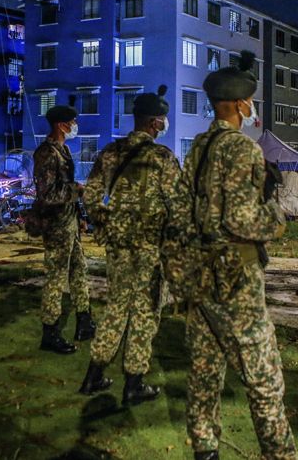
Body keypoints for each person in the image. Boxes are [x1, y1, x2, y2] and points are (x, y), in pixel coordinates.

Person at [166, 51, 297, 460]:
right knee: (264, 377)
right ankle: (280, 454)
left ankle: (205, 448)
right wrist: (276, 214)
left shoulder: (199, 147)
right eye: (250, 101)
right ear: (240, 104)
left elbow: (186, 212)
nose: (251, 108)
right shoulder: (241, 149)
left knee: (205, 369)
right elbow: (243, 221)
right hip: (235, 279)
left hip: (201, 276)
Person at [78, 86, 182, 405]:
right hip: (150, 248)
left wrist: (105, 225)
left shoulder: (111, 152)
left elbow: (91, 194)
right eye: (162, 120)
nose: (164, 125)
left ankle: (93, 376)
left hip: (119, 246)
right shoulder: (162, 157)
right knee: (145, 312)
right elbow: (178, 206)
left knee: (116, 307)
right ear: (154, 123)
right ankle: (134, 382)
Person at [32, 102, 95, 354]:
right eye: (72, 122)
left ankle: (85, 321)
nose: (75, 126)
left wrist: (80, 215)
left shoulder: (63, 150)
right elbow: (47, 194)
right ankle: (51, 332)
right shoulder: (47, 153)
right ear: (62, 125)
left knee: (79, 270)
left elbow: (65, 186)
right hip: (57, 225)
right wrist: (76, 190)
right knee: (56, 278)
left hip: (69, 222)